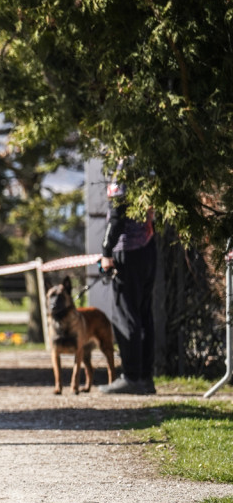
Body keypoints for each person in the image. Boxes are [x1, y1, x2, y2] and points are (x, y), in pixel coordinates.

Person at [98, 158, 156, 395]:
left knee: (125, 314)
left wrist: (106, 251)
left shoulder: (124, 171)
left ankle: (131, 377)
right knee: (144, 314)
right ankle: (145, 377)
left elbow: (117, 215)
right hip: (148, 248)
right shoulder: (149, 169)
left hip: (127, 251)